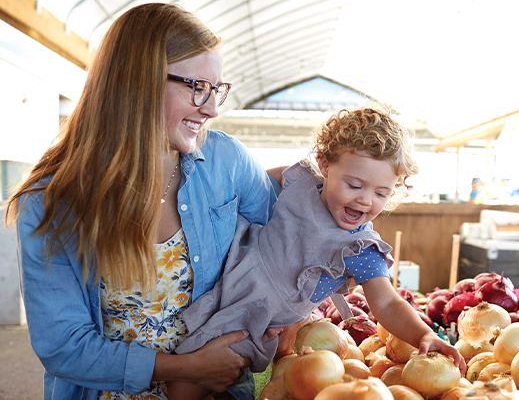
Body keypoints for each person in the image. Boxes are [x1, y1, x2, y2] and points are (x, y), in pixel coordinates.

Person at [3, 3, 281, 400]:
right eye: (198, 87)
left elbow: (286, 234)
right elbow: (64, 346)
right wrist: (189, 369)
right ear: (140, 82)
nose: (213, 108)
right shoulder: (52, 201)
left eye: (218, 89)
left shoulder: (226, 161)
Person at [167, 105, 467, 400]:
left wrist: (423, 335)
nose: (364, 201)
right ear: (324, 164)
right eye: (354, 185)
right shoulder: (300, 182)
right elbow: (257, 185)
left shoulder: (360, 249)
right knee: (182, 372)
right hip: (220, 283)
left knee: (190, 385)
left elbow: (387, 302)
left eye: (380, 193)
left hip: (252, 325)